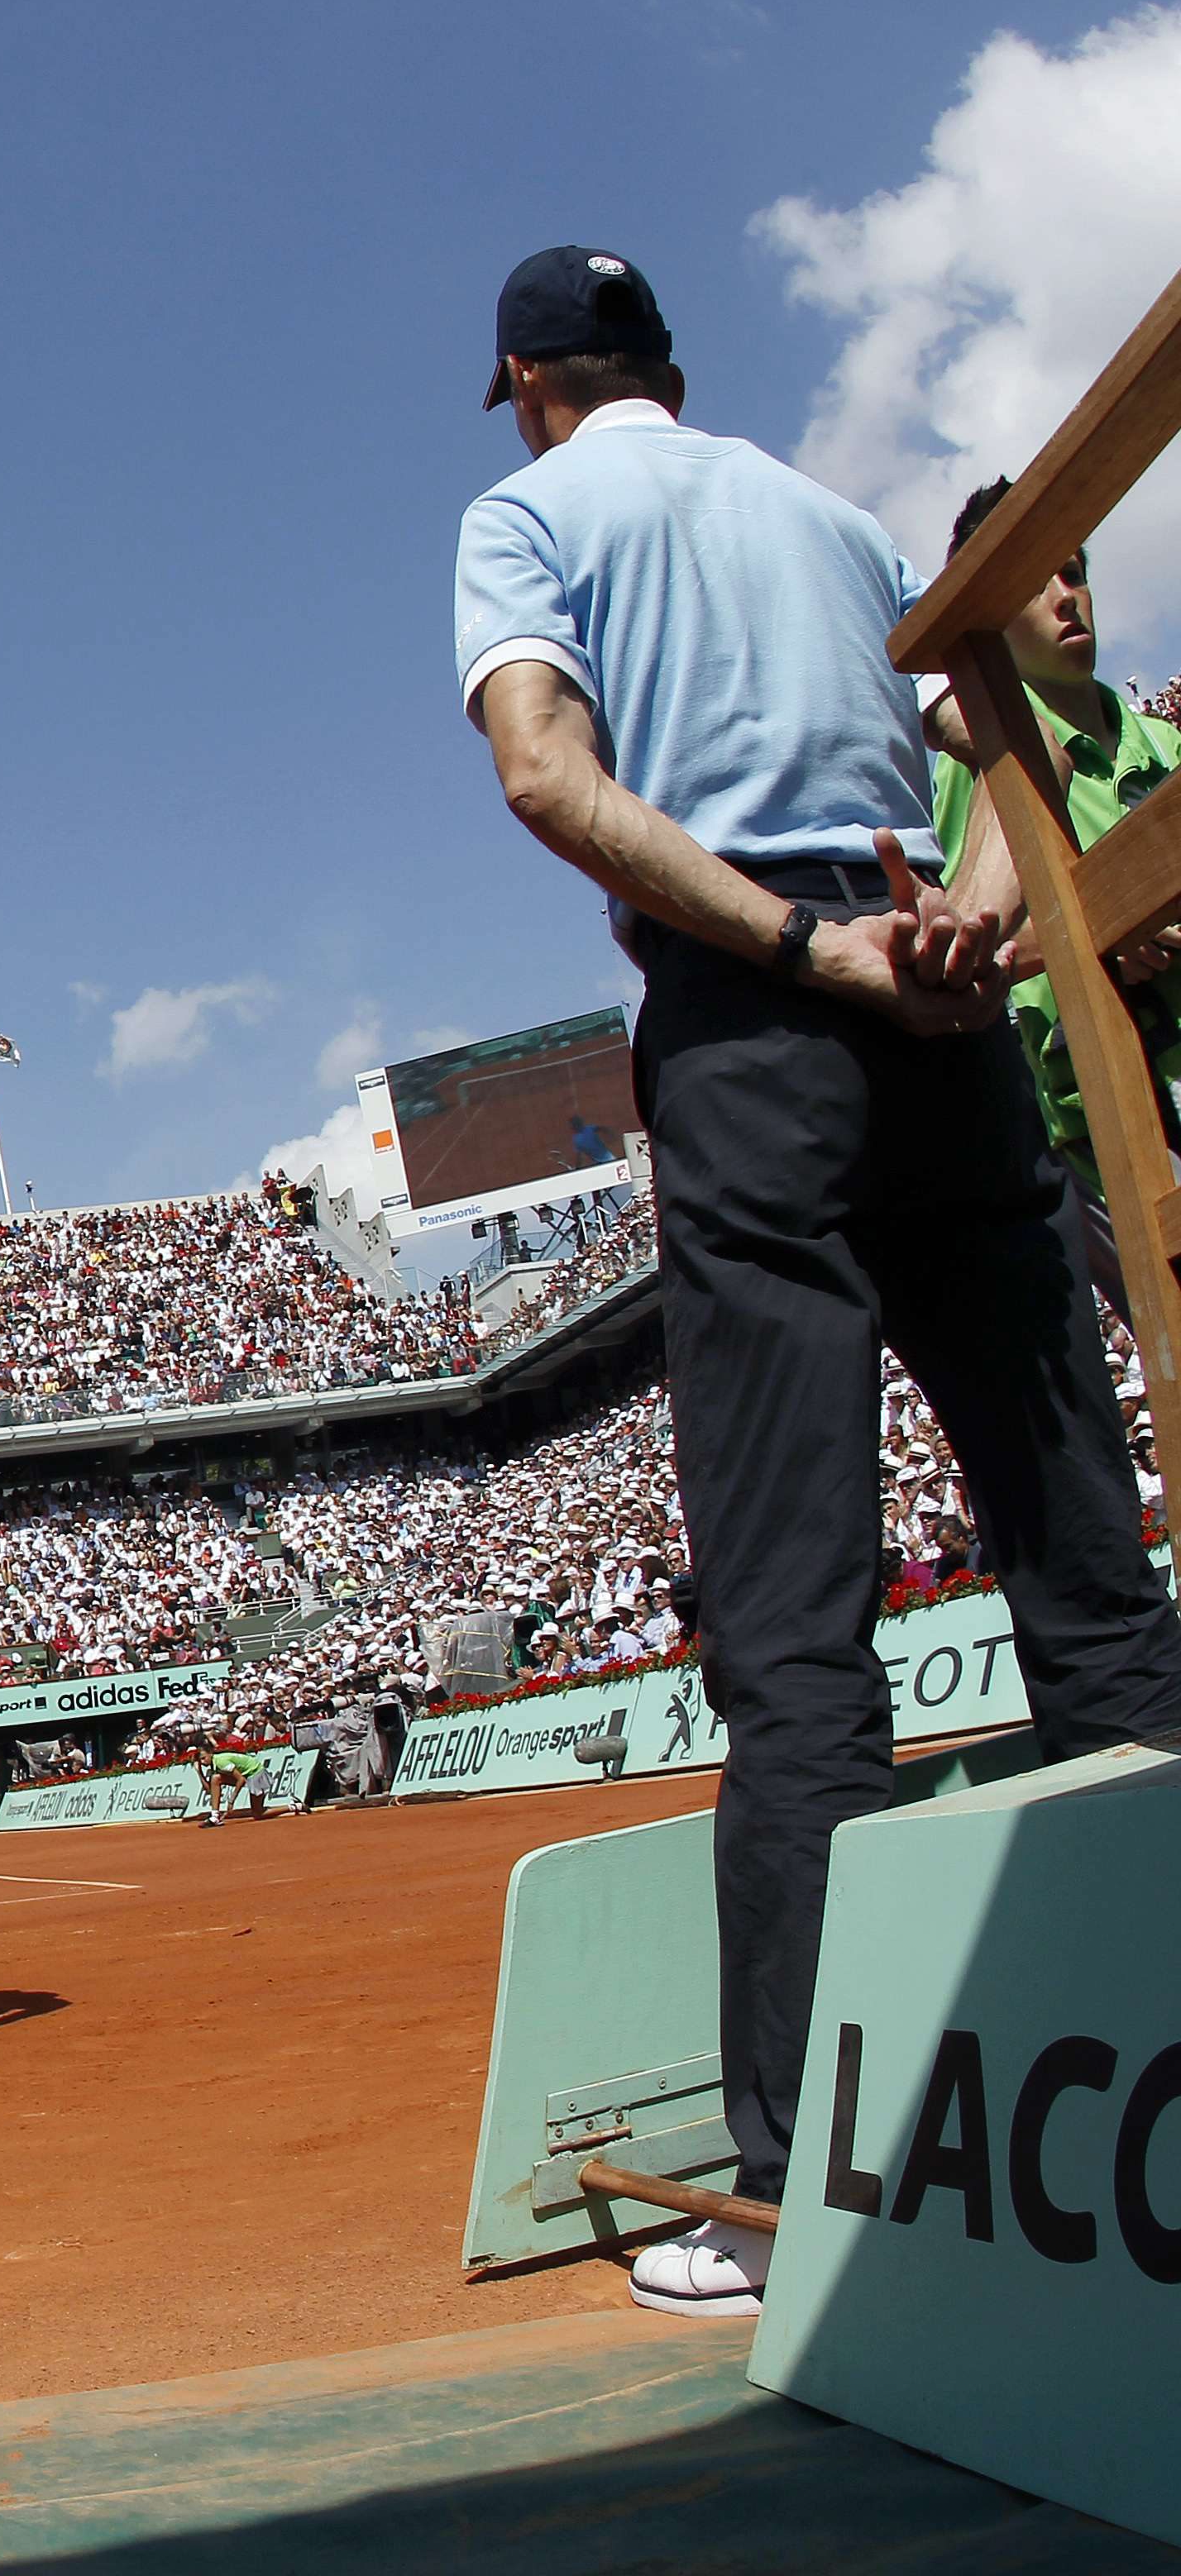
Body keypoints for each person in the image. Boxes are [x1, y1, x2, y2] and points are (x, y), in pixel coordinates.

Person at [454, 247, 1181, 2316]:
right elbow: (992, 741)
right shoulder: (832, 511)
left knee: (793, 1630)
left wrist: (794, 950)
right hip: (940, 1012)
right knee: (1087, 1578)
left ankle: (785, 2184)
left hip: (762, 1015)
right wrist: (946, 929)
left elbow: (545, 779)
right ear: (668, 364)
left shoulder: (529, 513)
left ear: (523, 382)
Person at [921, 494, 1181, 1319]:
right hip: (1120, 1124)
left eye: (1073, 572)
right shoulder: (983, 763)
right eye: (1036, 583)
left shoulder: (1169, 748)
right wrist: (1106, 930)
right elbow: (978, 945)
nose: (1067, 596)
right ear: (991, 624)